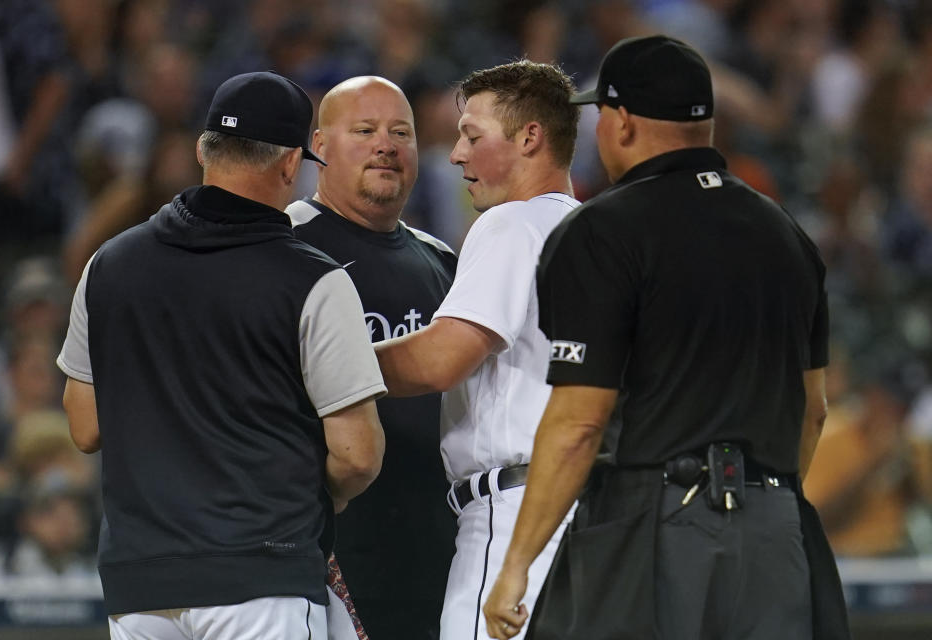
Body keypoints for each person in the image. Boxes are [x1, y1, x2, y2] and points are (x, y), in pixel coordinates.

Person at [482, 36, 848, 640]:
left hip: (656, 525)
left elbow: (579, 423)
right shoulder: (785, 234)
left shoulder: (601, 231)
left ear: (623, 122)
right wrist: (755, 508)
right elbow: (813, 412)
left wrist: (516, 564)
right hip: (776, 530)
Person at [56, 71, 386, 640]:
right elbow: (357, 455)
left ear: (203, 150)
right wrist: (310, 496)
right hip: (261, 580)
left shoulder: (108, 265)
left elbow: (85, 427)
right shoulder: (313, 278)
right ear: (290, 165)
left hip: (141, 588)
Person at [373, 60, 581, 640]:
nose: (457, 154)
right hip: (592, 516)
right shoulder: (596, 233)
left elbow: (442, 358)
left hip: (517, 515)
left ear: (529, 137)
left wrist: (328, 364)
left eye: (472, 135)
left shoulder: (512, 223)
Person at [284, 75, 457, 640]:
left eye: (400, 131)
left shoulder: (443, 261)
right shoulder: (279, 248)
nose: (386, 144)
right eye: (365, 130)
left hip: (437, 548)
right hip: (326, 550)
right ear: (320, 146)